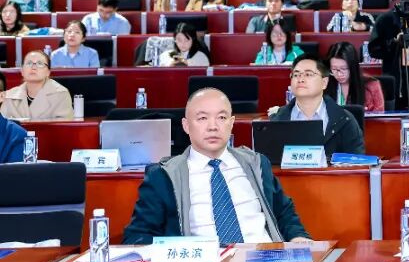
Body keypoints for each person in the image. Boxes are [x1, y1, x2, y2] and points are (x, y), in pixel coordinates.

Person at [123, 88, 310, 244]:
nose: (213, 126)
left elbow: (284, 213)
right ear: (186, 126)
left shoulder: (256, 164)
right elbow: (138, 236)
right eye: (202, 118)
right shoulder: (164, 176)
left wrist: (298, 237)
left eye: (221, 117)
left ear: (231, 123)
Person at [270, 57, 364, 155]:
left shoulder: (344, 119)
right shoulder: (276, 120)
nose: (300, 79)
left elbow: (356, 160)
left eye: (308, 74)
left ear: (324, 82)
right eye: (296, 75)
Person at [1, 50, 74, 120]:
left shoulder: (61, 94)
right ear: (22, 71)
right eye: (29, 63)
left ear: (48, 72)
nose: (33, 67)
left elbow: (64, 126)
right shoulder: (9, 95)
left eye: (40, 64)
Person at [325, 42, 384, 112]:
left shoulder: (372, 86)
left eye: (344, 69)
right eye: (334, 69)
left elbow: (379, 116)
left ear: (353, 67)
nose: (339, 74)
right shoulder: (324, 84)